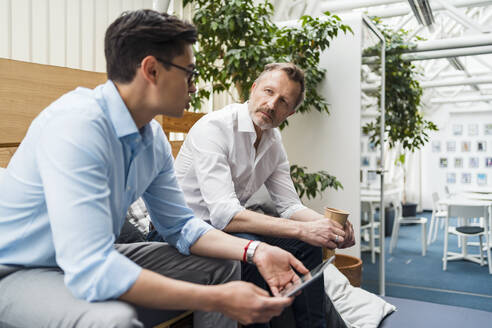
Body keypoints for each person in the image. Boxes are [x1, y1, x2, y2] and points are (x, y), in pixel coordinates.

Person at [0, 11, 309, 328]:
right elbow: (90, 269)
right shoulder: (77, 126)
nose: (192, 86)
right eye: (188, 72)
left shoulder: (153, 140)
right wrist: (215, 298)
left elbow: (181, 227)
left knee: (223, 264)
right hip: (18, 270)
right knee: (112, 320)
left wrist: (255, 251)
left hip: (94, 255)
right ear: (152, 70)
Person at [150, 62, 356, 328]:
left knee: (308, 245)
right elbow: (225, 215)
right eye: (268, 92)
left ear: (290, 113)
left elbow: (290, 206)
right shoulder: (215, 128)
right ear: (254, 88)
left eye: (283, 101)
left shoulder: (273, 142)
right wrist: (300, 229)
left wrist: (324, 226)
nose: (271, 105)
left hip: (224, 231)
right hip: (179, 233)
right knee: (258, 249)